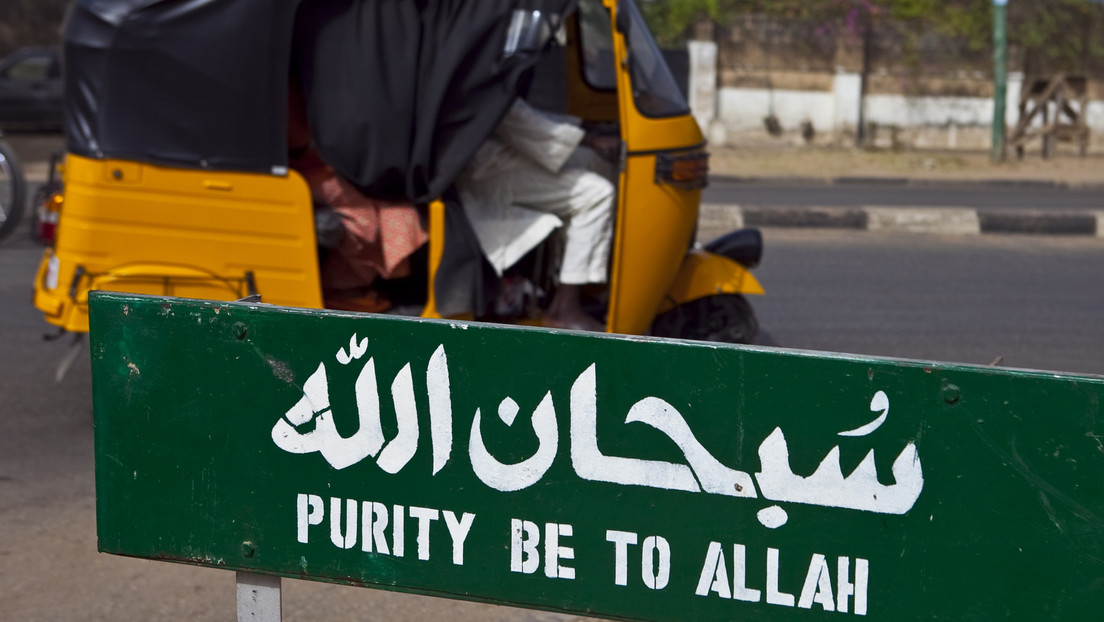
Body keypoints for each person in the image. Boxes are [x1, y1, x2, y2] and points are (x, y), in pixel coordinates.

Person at [457, 98, 619, 331]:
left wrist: (585, 128)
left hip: (498, 153)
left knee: (596, 161)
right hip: (484, 168)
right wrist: (590, 138)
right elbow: (517, 118)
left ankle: (585, 282)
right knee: (597, 194)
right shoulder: (477, 68)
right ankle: (565, 308)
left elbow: (518, 110)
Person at [288, 87, 428, 312]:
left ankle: (354, 285)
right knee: (365, 220)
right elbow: (299, 138)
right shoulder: (292, 93)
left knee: (397, 211)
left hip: (334, 168)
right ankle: (338, 287)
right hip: (308, 172)